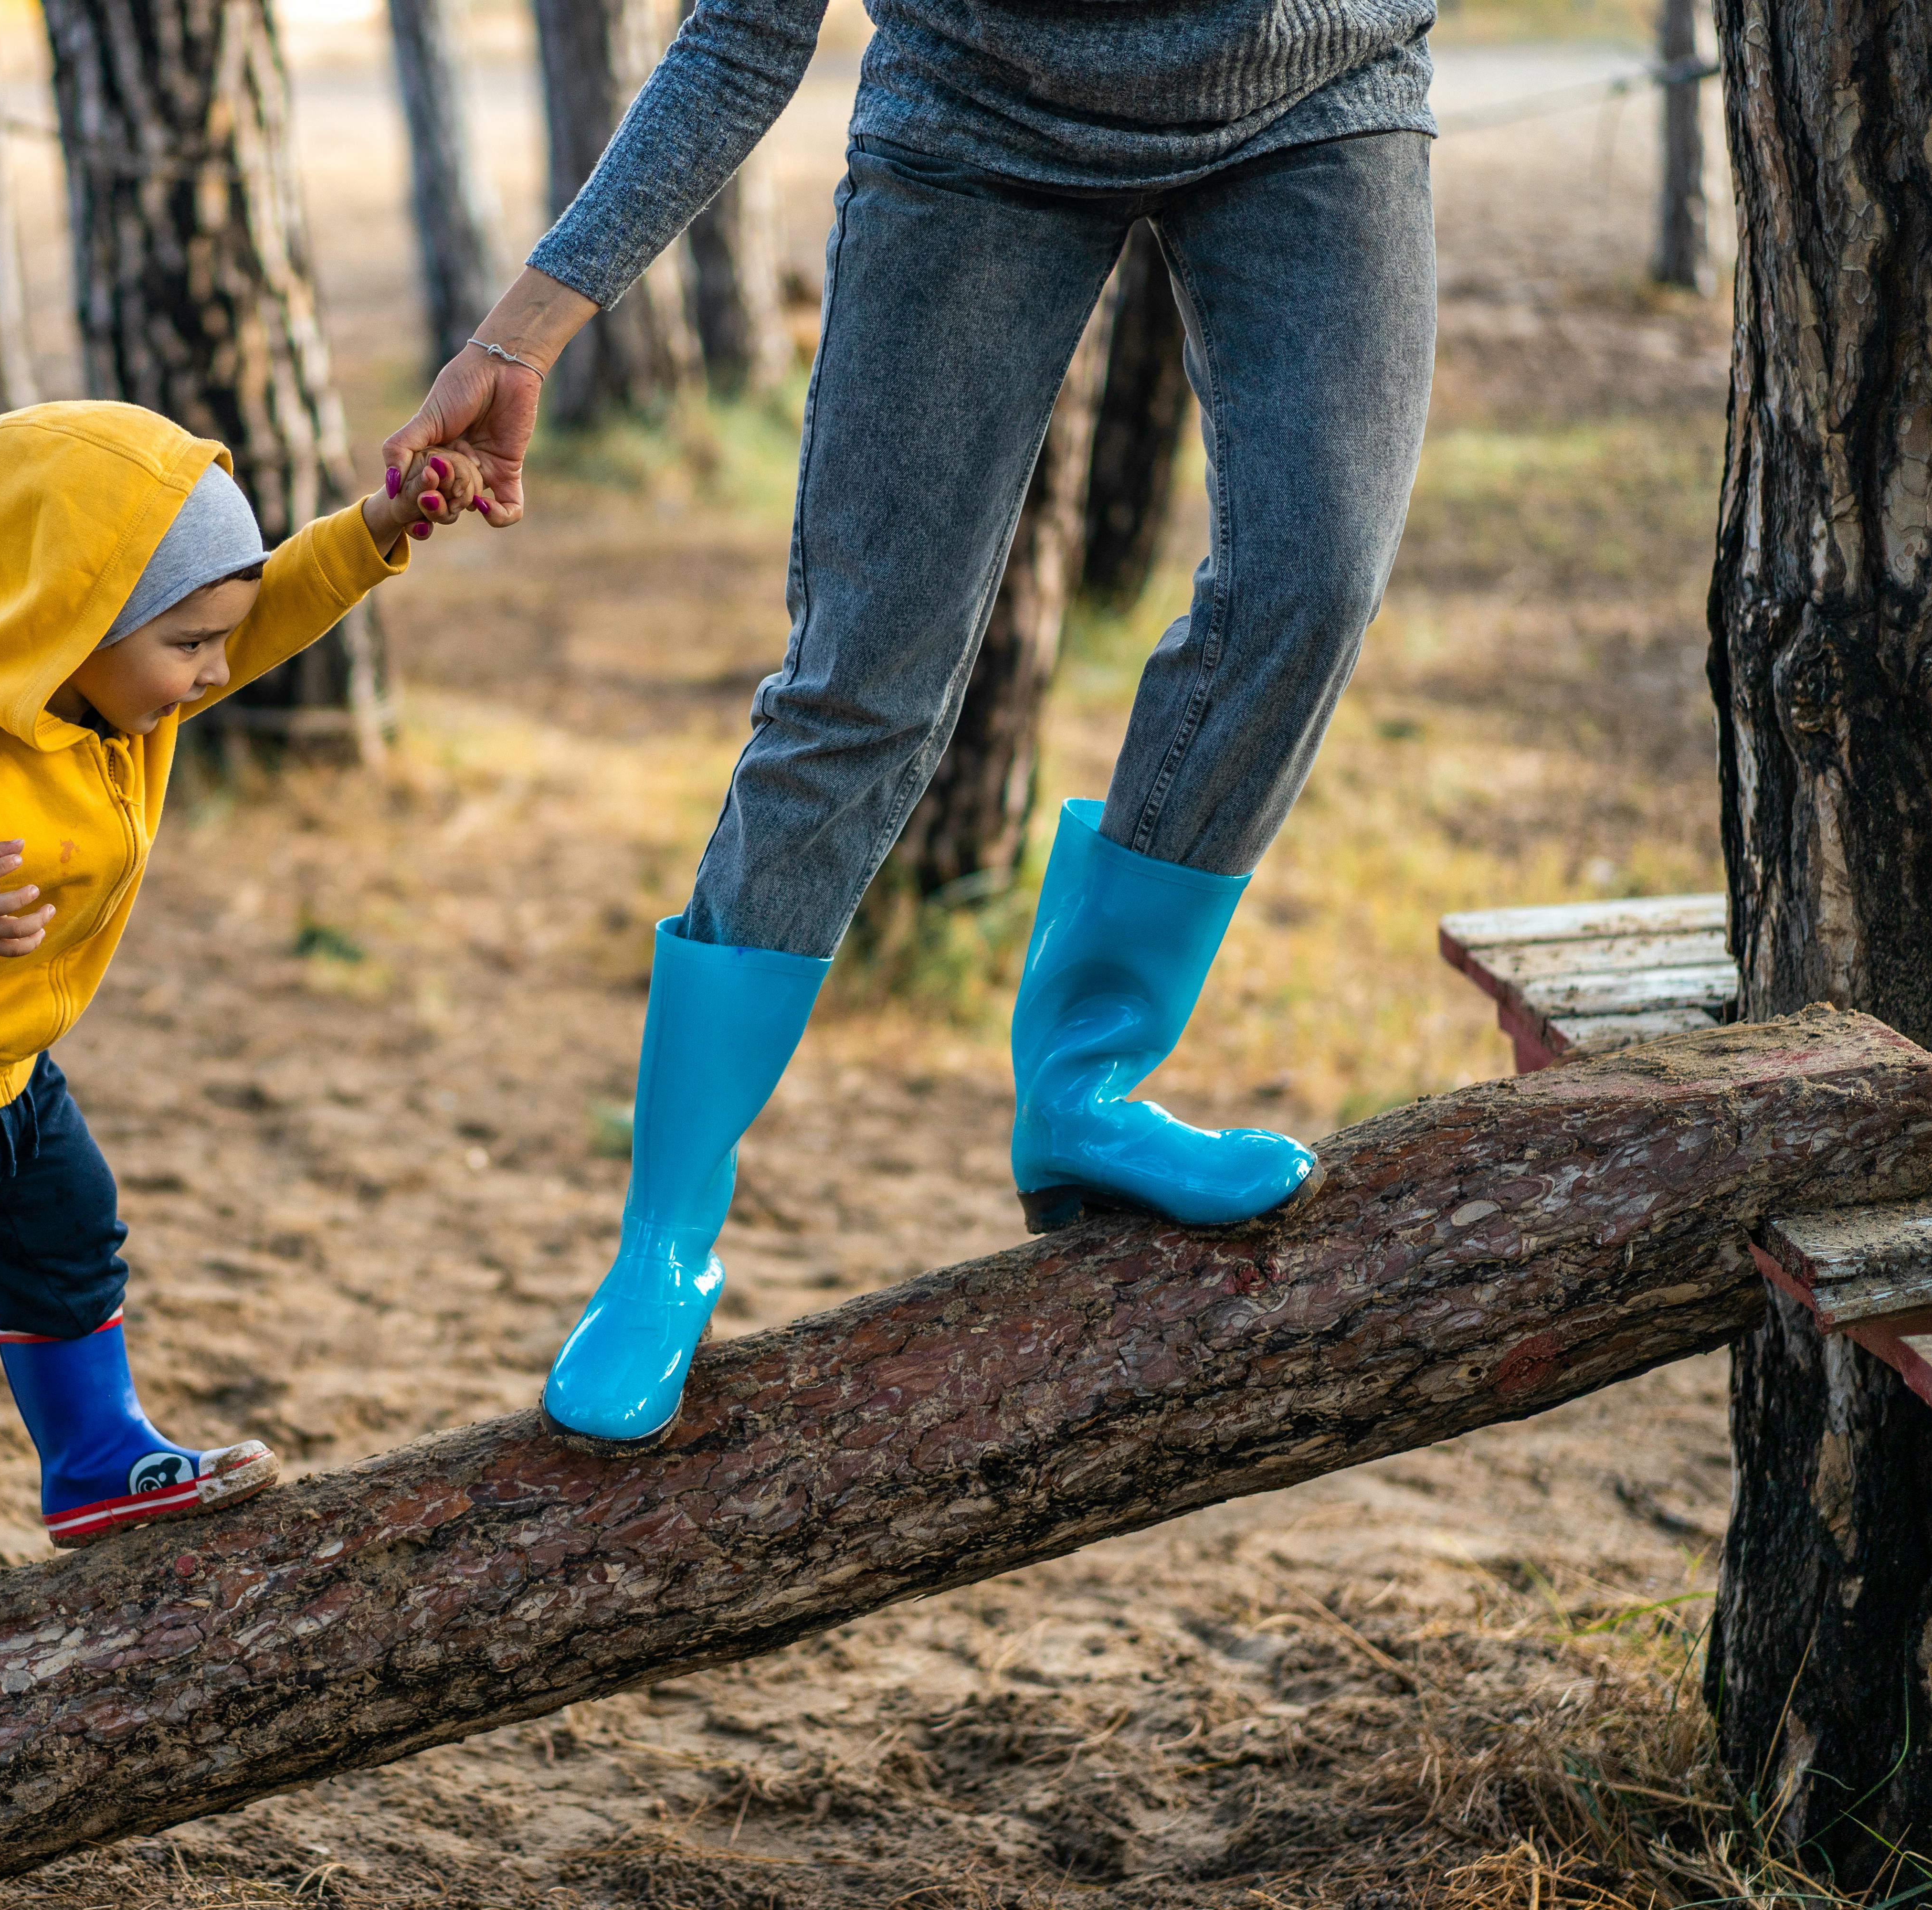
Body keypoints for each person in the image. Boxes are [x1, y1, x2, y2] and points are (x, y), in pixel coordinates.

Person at [386, 0, 1439, 1451]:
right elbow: (746, 30)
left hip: (1320, 90)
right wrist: (531, 325)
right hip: (980, 117)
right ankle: (666, 1241)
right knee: (861, 684)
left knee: (1311, 589)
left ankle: (1086, 1087)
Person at [0, 401, 487, 1666]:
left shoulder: (134, 695)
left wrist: (380, 527)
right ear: (74, 624)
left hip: (5, 1071)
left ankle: (96, 1461)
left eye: (214, 642)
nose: (215, 671)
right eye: (188, 644)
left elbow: (268, 608)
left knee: (72, 1243)